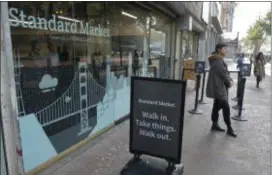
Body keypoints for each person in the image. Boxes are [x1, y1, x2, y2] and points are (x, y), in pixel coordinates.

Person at [206, 43, 237, 138]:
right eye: (224, 48)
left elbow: (224, 73)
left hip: (219, 87)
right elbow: (223, 74)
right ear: (219, 50)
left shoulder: (217, 59)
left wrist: (228, 80)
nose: (226, 50)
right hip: (219, 88)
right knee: (225, 107)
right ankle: (229, 128)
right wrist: (229, 82)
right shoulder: (217, 61)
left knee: (216, 106)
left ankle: (214, 124)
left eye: (226, 48)